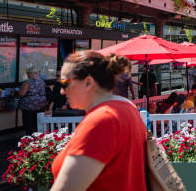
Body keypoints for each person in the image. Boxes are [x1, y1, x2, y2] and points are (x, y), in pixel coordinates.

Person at [51, 51, 146, 191]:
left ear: (88, 83)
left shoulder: (101, 120)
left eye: (65, 83)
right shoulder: (128, 107)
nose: (62, 92)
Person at [18, 67, 48, 135]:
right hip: (40, 105)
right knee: (37, 122)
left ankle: (29, 138)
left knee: (29, 123)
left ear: (30, 73)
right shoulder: (42, 81)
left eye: (28, 73)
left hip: (29, 106)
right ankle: (38, 136)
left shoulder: (28, 82)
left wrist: (18, 92)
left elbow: (22, 94)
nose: (27, 75)